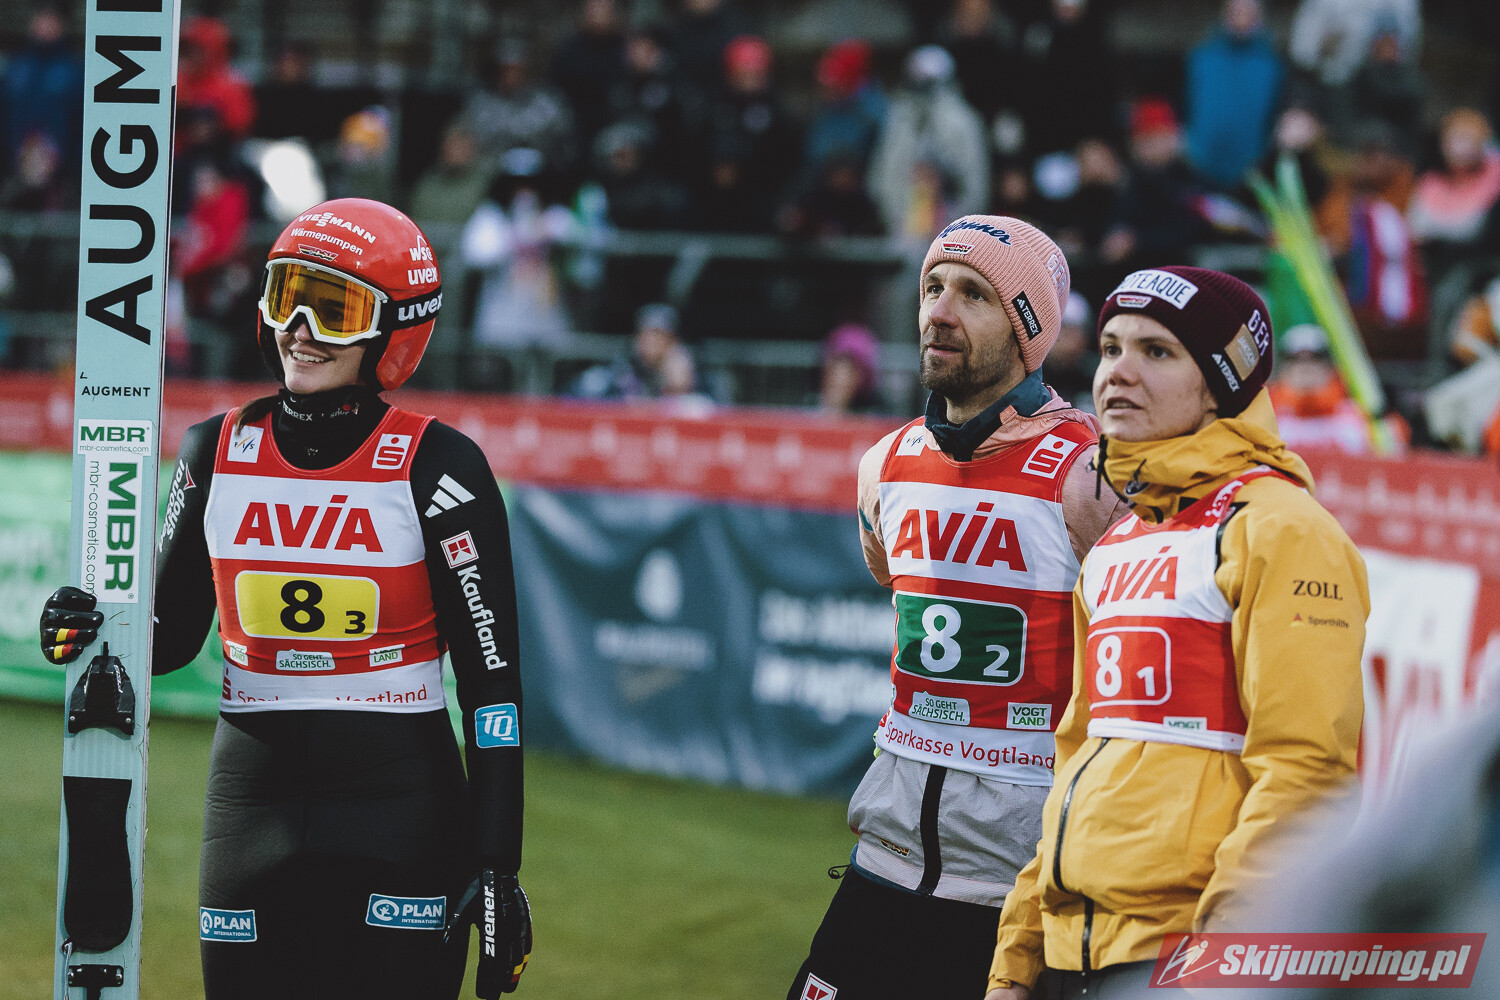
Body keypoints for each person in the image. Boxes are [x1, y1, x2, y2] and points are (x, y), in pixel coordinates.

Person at [40, 199, 532, 1000]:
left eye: (334, 310)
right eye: (286, 298)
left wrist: (499, 864)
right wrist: (89, 625)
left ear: (394, 330)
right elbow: (166, 640)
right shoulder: (214, 450)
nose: (299, 330)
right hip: (251, 809)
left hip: (402, 810)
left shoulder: (441, 466)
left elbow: (492, 688)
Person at [985, 266, 1368, 999]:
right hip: (1067, 960)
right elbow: (1075, 760)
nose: (1118, 372)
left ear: (1221, 385)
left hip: (1183, 964)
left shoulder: (1283, 531)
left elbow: (1307, 771)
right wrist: (1017, 959)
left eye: (1156, 352)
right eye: (1110, 347)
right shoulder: (1117, 544)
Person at [786, 215, 1129, 1000]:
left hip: (1019, 886)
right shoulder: (885, 463)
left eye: (974, 295)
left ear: (1027, 333)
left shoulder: (1091, 476)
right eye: (932, 287)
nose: (939, 311)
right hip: (885, 858)